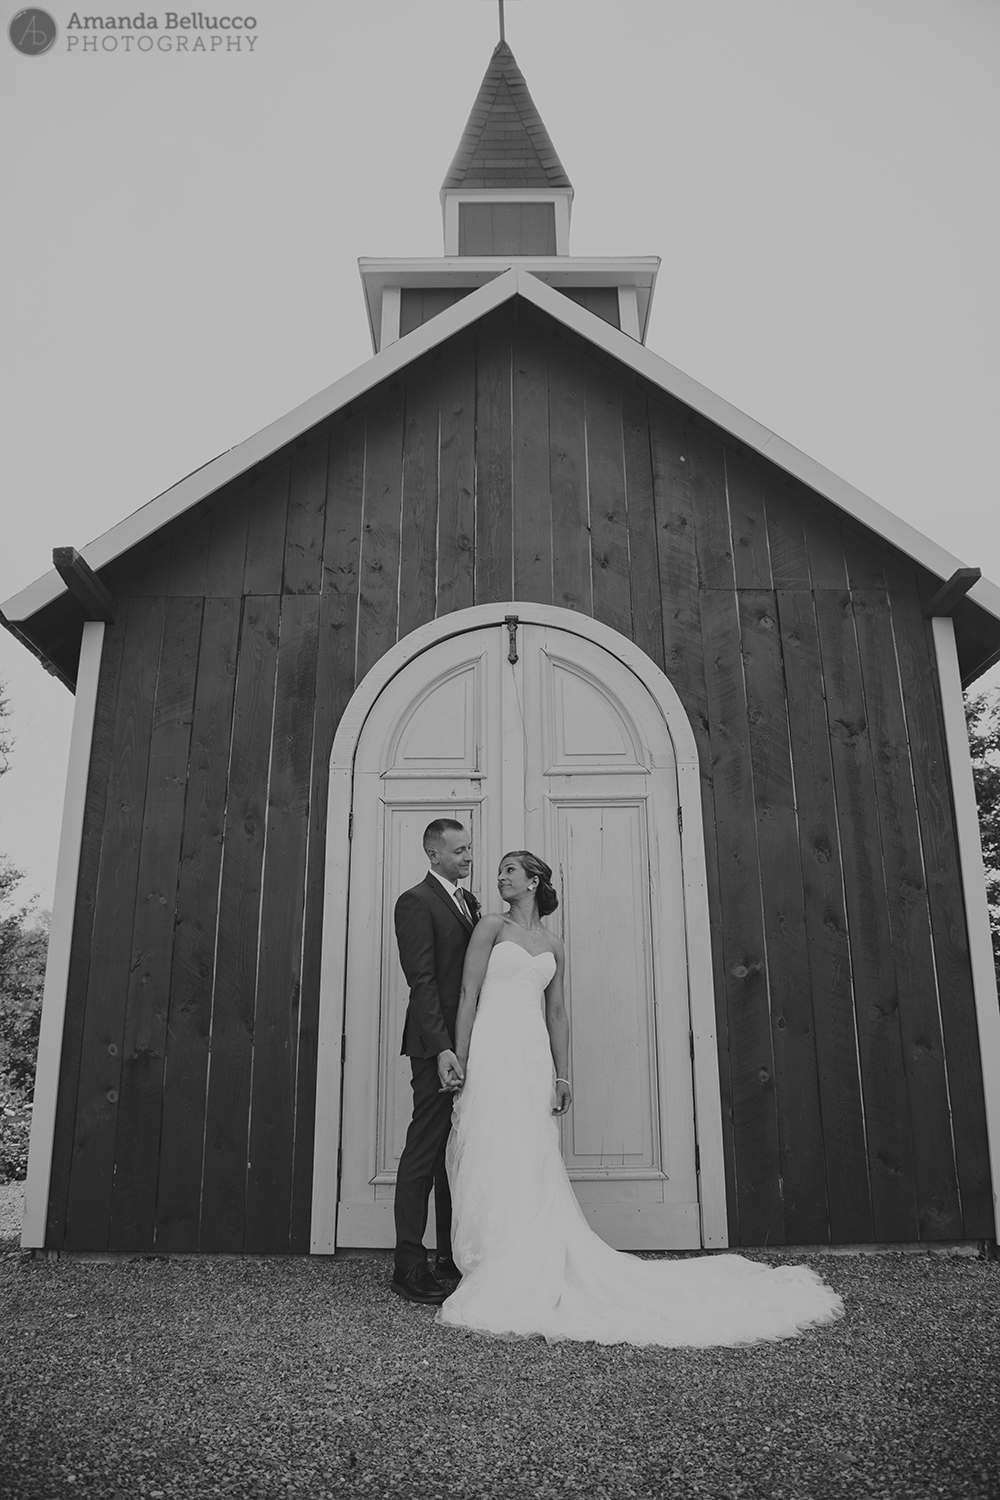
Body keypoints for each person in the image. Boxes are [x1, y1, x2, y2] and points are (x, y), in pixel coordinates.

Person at [438, 850, 844, 1345]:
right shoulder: (489, 929)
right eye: (499, 872)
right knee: (489, 1145)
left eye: (509, 871)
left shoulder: (553, 944)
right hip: (492, 1045)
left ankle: (530, 1257)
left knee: (531, 1151)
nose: (500, 878)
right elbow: (467, 993)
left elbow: (558, 1013)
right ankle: (491, 1257)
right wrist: (459, 1056)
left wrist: (563, 1077)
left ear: (533, 880)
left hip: (530, 1055)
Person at [390, 818, 480, 1305]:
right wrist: (443, 1046)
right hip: (435, 1049)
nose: (468, 856)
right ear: (434, 855)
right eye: (459, 850)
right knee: (423, 1153)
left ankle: (448, 1254)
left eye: (470, 848)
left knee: (456, 1155)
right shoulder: (416, 902)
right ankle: (408, 1263)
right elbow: (421, 980)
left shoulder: (469, 902)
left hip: (468, 1046)